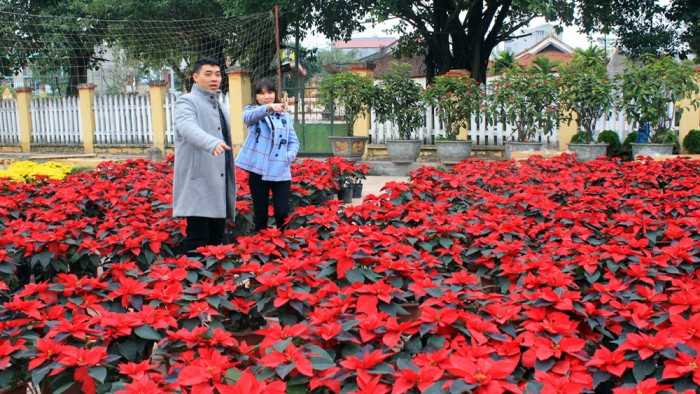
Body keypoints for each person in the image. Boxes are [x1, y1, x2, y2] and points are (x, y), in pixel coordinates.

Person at [172, 57, 236, 252]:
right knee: (198, 241)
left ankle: (214, 282)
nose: (214, 78)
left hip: (218, 184)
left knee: (217, 241)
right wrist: (212, 142)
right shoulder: (187, 101)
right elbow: (186, 127)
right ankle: (191, 282)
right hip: (198, 183)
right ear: (195, 77)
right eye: (208, 74)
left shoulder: (219, 104)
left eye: (217, 74)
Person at [236, 79, 299, 232]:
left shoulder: (285, 116)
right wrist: (269, 107)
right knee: (260, 213)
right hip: (259, 170)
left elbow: (294, 141)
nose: (266, 96)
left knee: (282, 212)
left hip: (281, 169)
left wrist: (288, 156)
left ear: (275, 93)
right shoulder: (253, 112)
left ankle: (285, 246)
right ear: (256, 96)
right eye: (261, 93)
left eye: (270, 92)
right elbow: (247, 118)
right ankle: (260, 246)